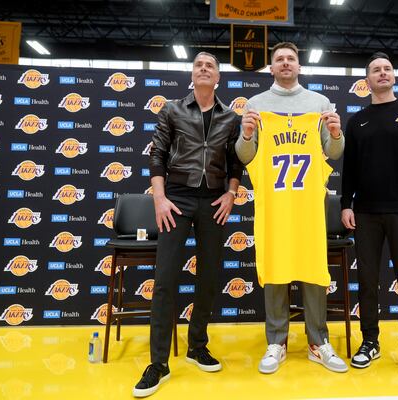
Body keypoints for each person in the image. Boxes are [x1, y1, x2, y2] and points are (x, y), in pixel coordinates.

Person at [133, 52, 243, 397]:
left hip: (213, 201)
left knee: (209, 277)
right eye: (199, 65)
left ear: (219, 79)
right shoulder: (172, 109)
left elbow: (236, 164)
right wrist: (159, 198)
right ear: (192, 76)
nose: (204, 68)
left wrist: (230, 195)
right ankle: (158, 363)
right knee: (165, 279)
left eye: (211, 66)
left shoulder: (230, 117)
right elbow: (158, 154)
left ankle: (197, 346)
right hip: (176, 199)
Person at [236, 42, 348, 374]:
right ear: (271, 68)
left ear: (299, 66)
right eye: (279, 60)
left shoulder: (319, 104)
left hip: (308, 207)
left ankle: (317, 342)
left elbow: (334, 153)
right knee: (275, 269)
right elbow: (247, 158)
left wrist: (336, 133)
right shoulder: (257, 105)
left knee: (314, 270)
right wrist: (245, 135)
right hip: (274, 207)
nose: (285, 63)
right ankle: (277, 341)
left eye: (291, 59)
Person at [340, 52, 398, 377]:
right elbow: (348, 169)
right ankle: (370, 342)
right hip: (365, 214)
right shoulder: (357, 121)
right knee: (367, 283)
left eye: (387, 69)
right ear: (366, 80)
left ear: (393, 76)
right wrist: (345, 205)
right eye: (376, 70)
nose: (382, 73)